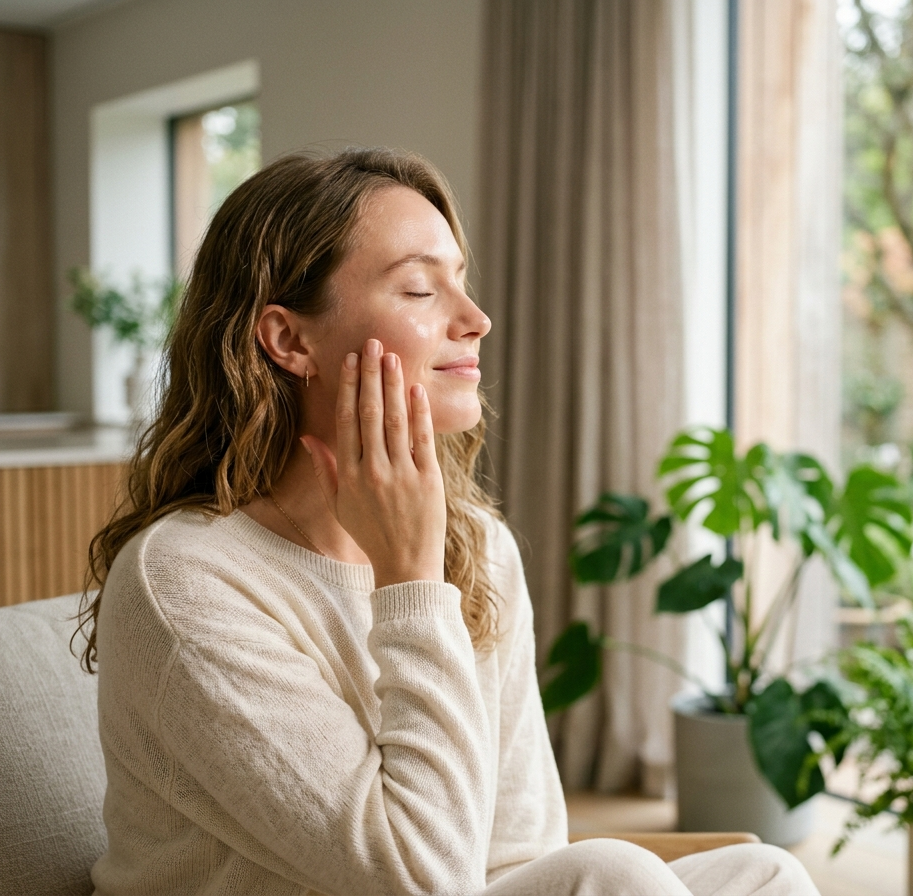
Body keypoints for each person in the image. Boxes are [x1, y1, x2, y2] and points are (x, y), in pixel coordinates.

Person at [79, 148, 820, 896]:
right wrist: (409, 581)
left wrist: (423, 563)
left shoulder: (475, 545)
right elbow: (421, 880)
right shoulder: (184, 580)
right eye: (418, 289)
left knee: (765, 874)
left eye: (460, 283)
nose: (476, 320)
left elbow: (517, 852)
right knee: (614, 873)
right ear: (290, 341)